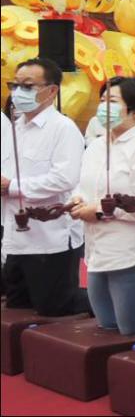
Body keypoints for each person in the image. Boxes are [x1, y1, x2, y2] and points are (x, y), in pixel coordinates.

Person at [68, 77, 135, 335]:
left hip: (132, 251)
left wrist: (98, 210)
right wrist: (78, 199)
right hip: (98, 249)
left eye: (111, 102)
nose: (102, 107)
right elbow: (83, 183)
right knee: (106, 324)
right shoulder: (97, 145)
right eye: (101, 101)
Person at [1, 58, 88, 316]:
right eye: (14, 85)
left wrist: (13, 186)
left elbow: (64, 179)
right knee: (17, 306)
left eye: (27, 86)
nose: (18, 92)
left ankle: (106, 305)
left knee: (54, 306)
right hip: (16, 236)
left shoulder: (63, 128)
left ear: (51, 91)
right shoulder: (13, 128)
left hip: (51, 236)